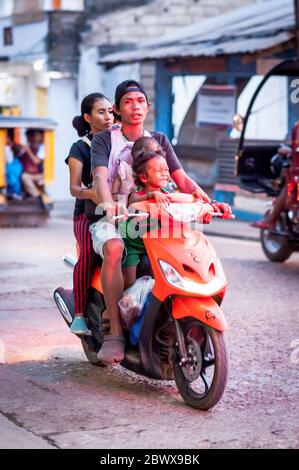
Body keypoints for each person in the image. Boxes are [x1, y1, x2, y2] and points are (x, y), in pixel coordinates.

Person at [90, 79, 232, 365]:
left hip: (152, 218)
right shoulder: (106, 139)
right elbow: (99, 178)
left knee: (181, 250)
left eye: (140, 101)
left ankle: (166, 320)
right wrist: (108, 206)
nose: (135, 107)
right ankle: (116, 332)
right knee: (116, 248)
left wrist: (208, 202)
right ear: (117, 109)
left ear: (148, 106)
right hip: (117, 216)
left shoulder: (159, 140)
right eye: (128, 102)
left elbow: (181, 179)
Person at [65, 93, 114, 335]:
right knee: (87, 254)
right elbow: (74, 188)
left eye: (110, 111)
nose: (108, 117)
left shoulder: (118, 142)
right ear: (88, 117)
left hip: (118, 211)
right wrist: (93, 194)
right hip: (86, 215)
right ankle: (80, 314)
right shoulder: (80, 148)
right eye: (101, 112)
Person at [21, 129, 45, 201]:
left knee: (24, 177)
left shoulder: (43, 147)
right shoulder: (32, 145)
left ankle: (38, 197)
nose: (34, 138)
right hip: (32, 172)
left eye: (36, 135)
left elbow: (37, 161)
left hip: (42, 174)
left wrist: (28, 150)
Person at [5, 130, 23, 200]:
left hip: (14, 166)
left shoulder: (10, 147)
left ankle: (15, 193)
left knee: (13, 178)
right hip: (10, 166)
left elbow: (9, 160)